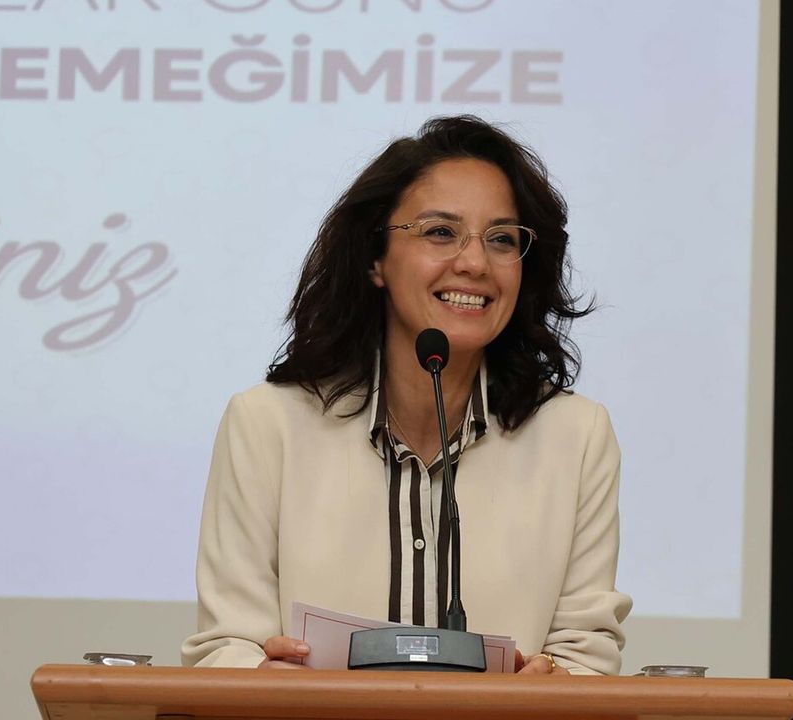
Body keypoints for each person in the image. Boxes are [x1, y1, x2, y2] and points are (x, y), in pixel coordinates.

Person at [181, 115, 631, 676]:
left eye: (502, 239)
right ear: (375, 259)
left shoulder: (575, 436)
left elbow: (585, 655)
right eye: (440, 232)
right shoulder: (267, 424)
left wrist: (553, 683)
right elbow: (227, 647)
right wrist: (260, 679)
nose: (474, 263)